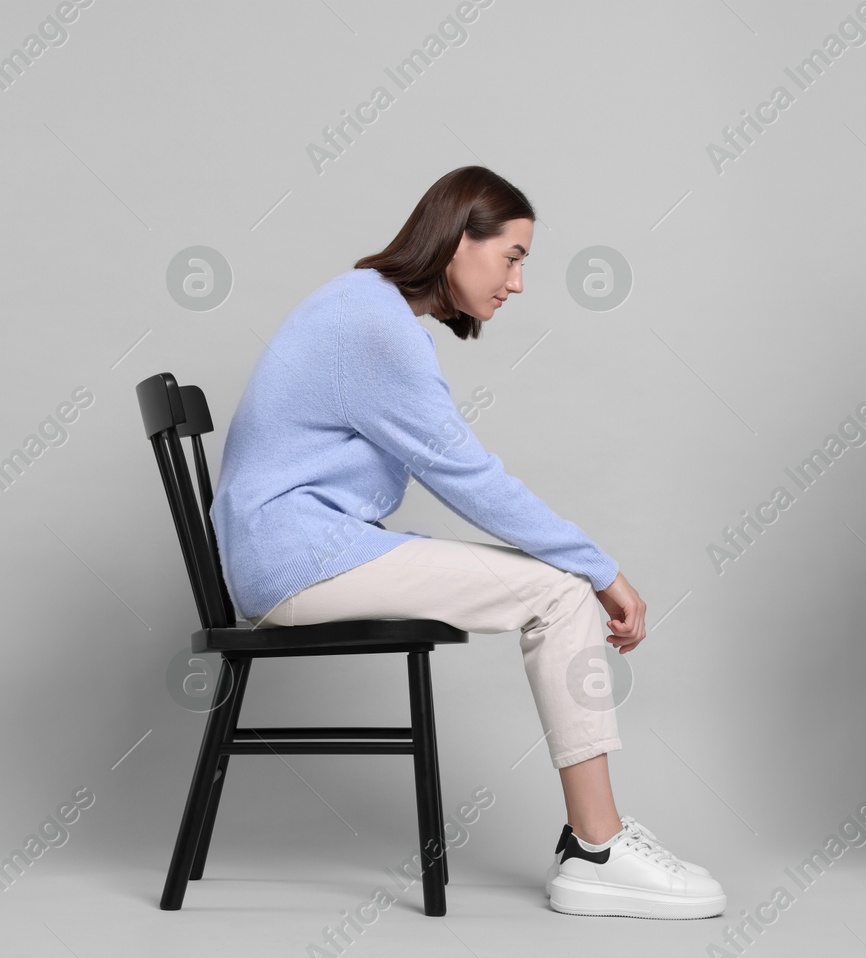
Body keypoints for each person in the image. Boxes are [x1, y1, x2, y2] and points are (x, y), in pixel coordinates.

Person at [209, 165, 725, 920]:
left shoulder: (364, 306)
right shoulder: (375, 326)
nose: (517, 283)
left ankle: (595, 842)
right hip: (298, 561)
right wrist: (602, 568)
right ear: (458, 240)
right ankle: (597, 847)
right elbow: (472, 480)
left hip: (293, 553)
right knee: (560, 590)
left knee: (555, 583)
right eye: (512, 256)